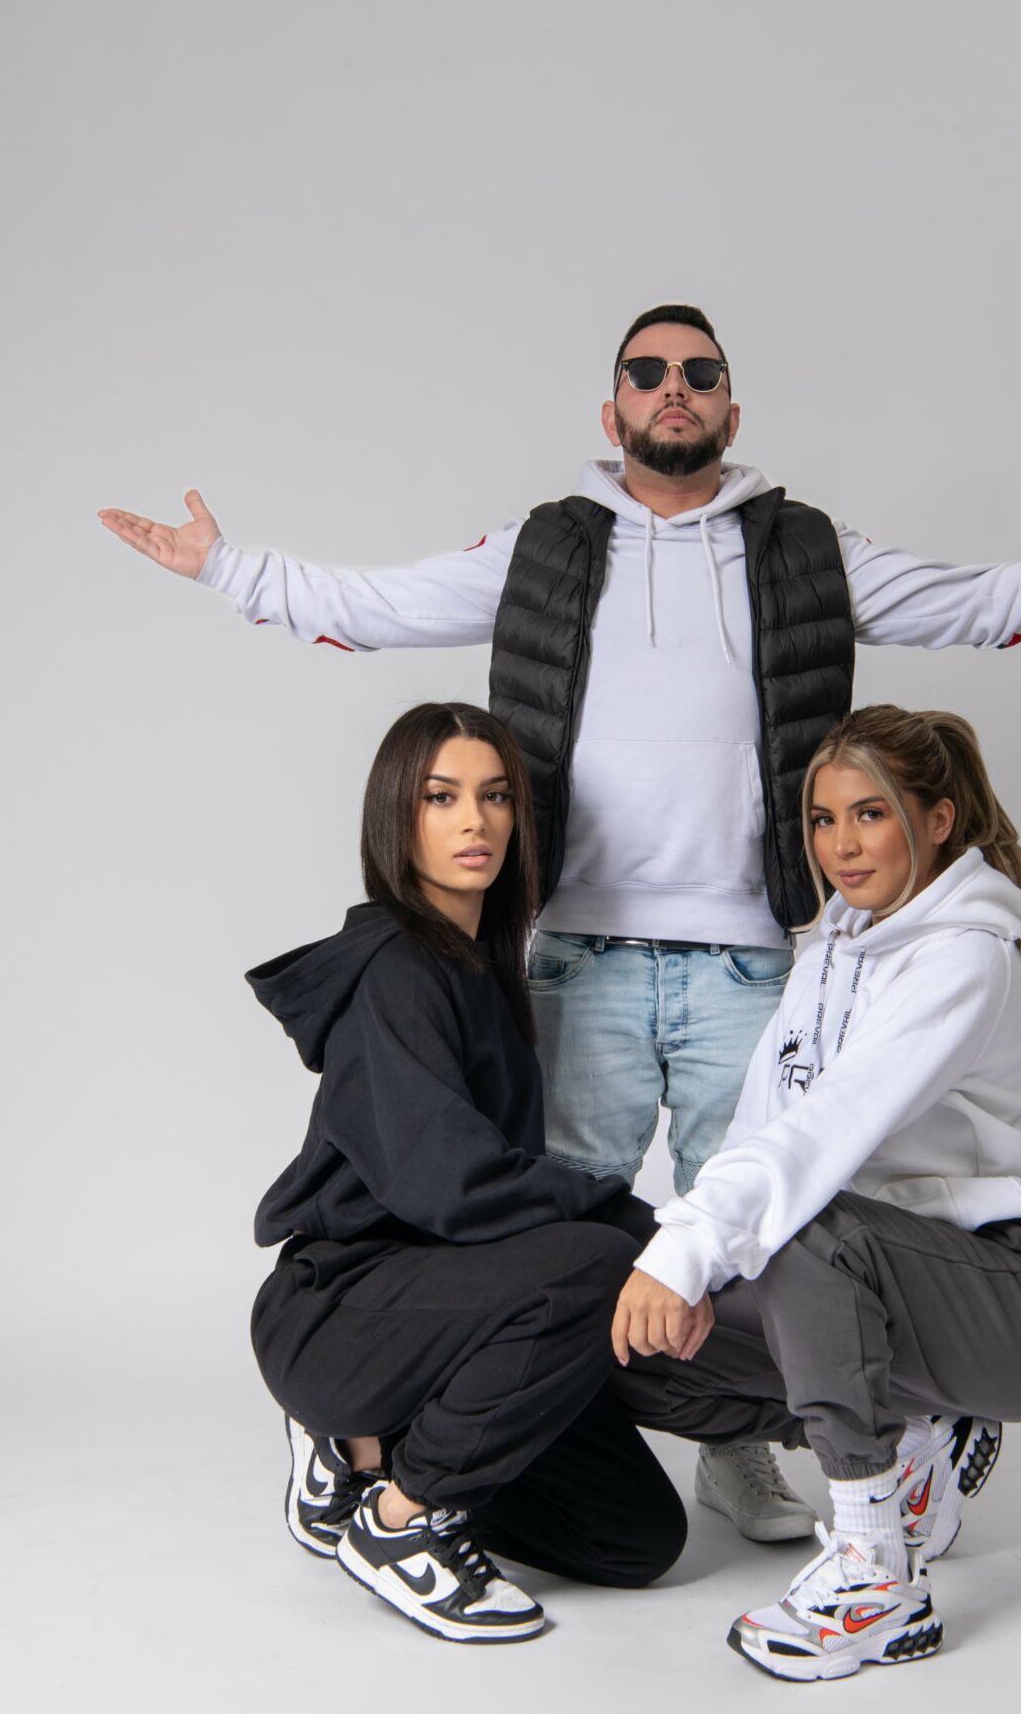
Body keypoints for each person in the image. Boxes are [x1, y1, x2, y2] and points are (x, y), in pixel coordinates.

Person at [99, 303, 1021, 1540]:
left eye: (699, 373)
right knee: (553, 1224)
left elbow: (967, 601)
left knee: (751, 1226)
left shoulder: (802, 549)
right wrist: (228, 569)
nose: (673, 388)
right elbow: (382, 603)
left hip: (747, 953)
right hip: (579, 949)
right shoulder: (544, 548)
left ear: (729, 410)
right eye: (646, 373)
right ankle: (474, 1439)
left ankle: (733, 1449)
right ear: (613, 412)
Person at [610, 705, 1021, 1682]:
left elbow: (827, 1130)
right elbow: (763, 1123)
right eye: (823, 819)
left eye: (869, 814)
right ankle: (918, 1431)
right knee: (627, 1336)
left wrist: (696, 1243)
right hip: (880, 1285)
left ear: (938, 819)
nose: (840, 845)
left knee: (801, 1229)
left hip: (1016, 1300)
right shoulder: (830, 946)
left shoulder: (966, 954)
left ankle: (876, 1574)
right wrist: (693, 1257)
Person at [248, 700, 690, 1643]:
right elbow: (450, 1182)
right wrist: (643, 1229)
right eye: (440, 797)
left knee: (633, 1538)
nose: (474, 821)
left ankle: (378, 1452)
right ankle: (399, 1521)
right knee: (595, 1262)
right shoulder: (395, 970)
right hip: (343, 1313)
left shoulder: (481, 966)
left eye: (495, 797)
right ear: (395, 815)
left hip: (448, 1310)